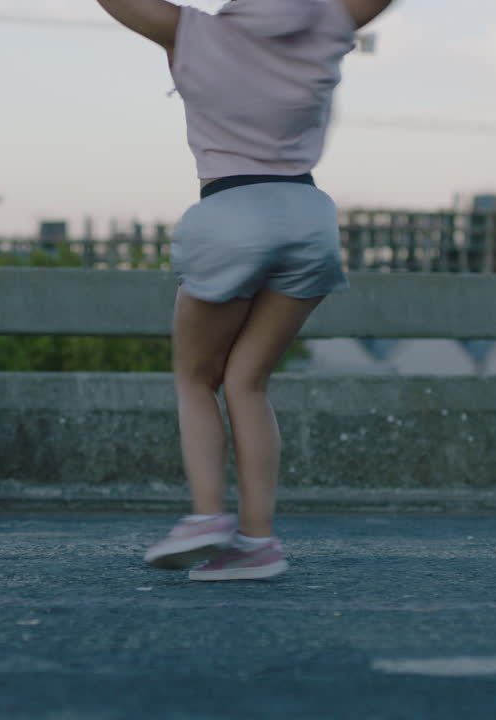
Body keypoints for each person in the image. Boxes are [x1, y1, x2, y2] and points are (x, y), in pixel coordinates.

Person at [96, 0, 395, 580]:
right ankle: (258, 543)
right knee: (248, 381)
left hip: (232, 211)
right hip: (309, 216)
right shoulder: (327, 24)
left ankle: (208, 515)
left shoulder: (192, 32)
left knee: (195, 378)